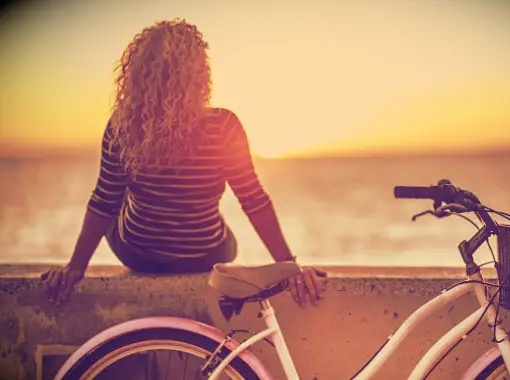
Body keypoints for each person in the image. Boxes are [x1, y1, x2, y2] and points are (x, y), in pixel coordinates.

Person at [42, 19, 322, 307]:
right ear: (200, 74)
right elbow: (254, 200)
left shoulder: (123, 126)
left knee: (118, 192)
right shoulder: (224, 126)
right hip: (205, 255)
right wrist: (289, 267)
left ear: (137, 75)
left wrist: (74, 267)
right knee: (222, 227)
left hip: (139, 254)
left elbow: (104, 201)